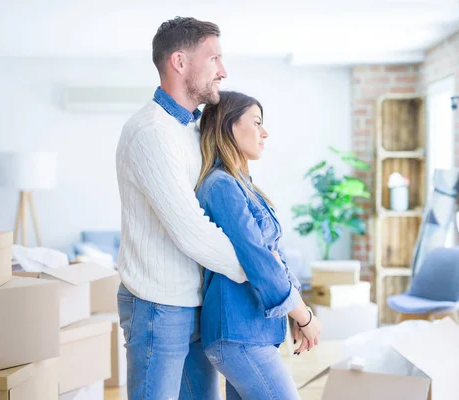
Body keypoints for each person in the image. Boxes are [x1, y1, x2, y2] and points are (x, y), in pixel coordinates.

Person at [115, 17, 248, 400]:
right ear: (179, 61)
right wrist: (258, 273)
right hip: (159, 305)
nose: (223, 71)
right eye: (214, 59)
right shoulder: (151, 132)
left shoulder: (191, 130)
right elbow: (192, 229)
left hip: (193, 300)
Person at [195, 91, 323, 399]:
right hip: (238, 334)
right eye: (256, 123)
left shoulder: (242, 185)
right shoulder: (221, 186)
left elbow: (274, 256)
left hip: (251, 331)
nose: (265, 133)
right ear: (228, 127)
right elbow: (259, 259)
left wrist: (292, 308)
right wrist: (303, 316)